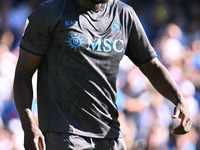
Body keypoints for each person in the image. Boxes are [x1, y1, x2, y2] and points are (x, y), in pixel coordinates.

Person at [13, 0, 192, 150]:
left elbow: (151, 66)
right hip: (64, 135)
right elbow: (23, 74)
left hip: (110, 134)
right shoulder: (50, 13)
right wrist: (28, 123)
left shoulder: (123, 14)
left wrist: (179, 99)